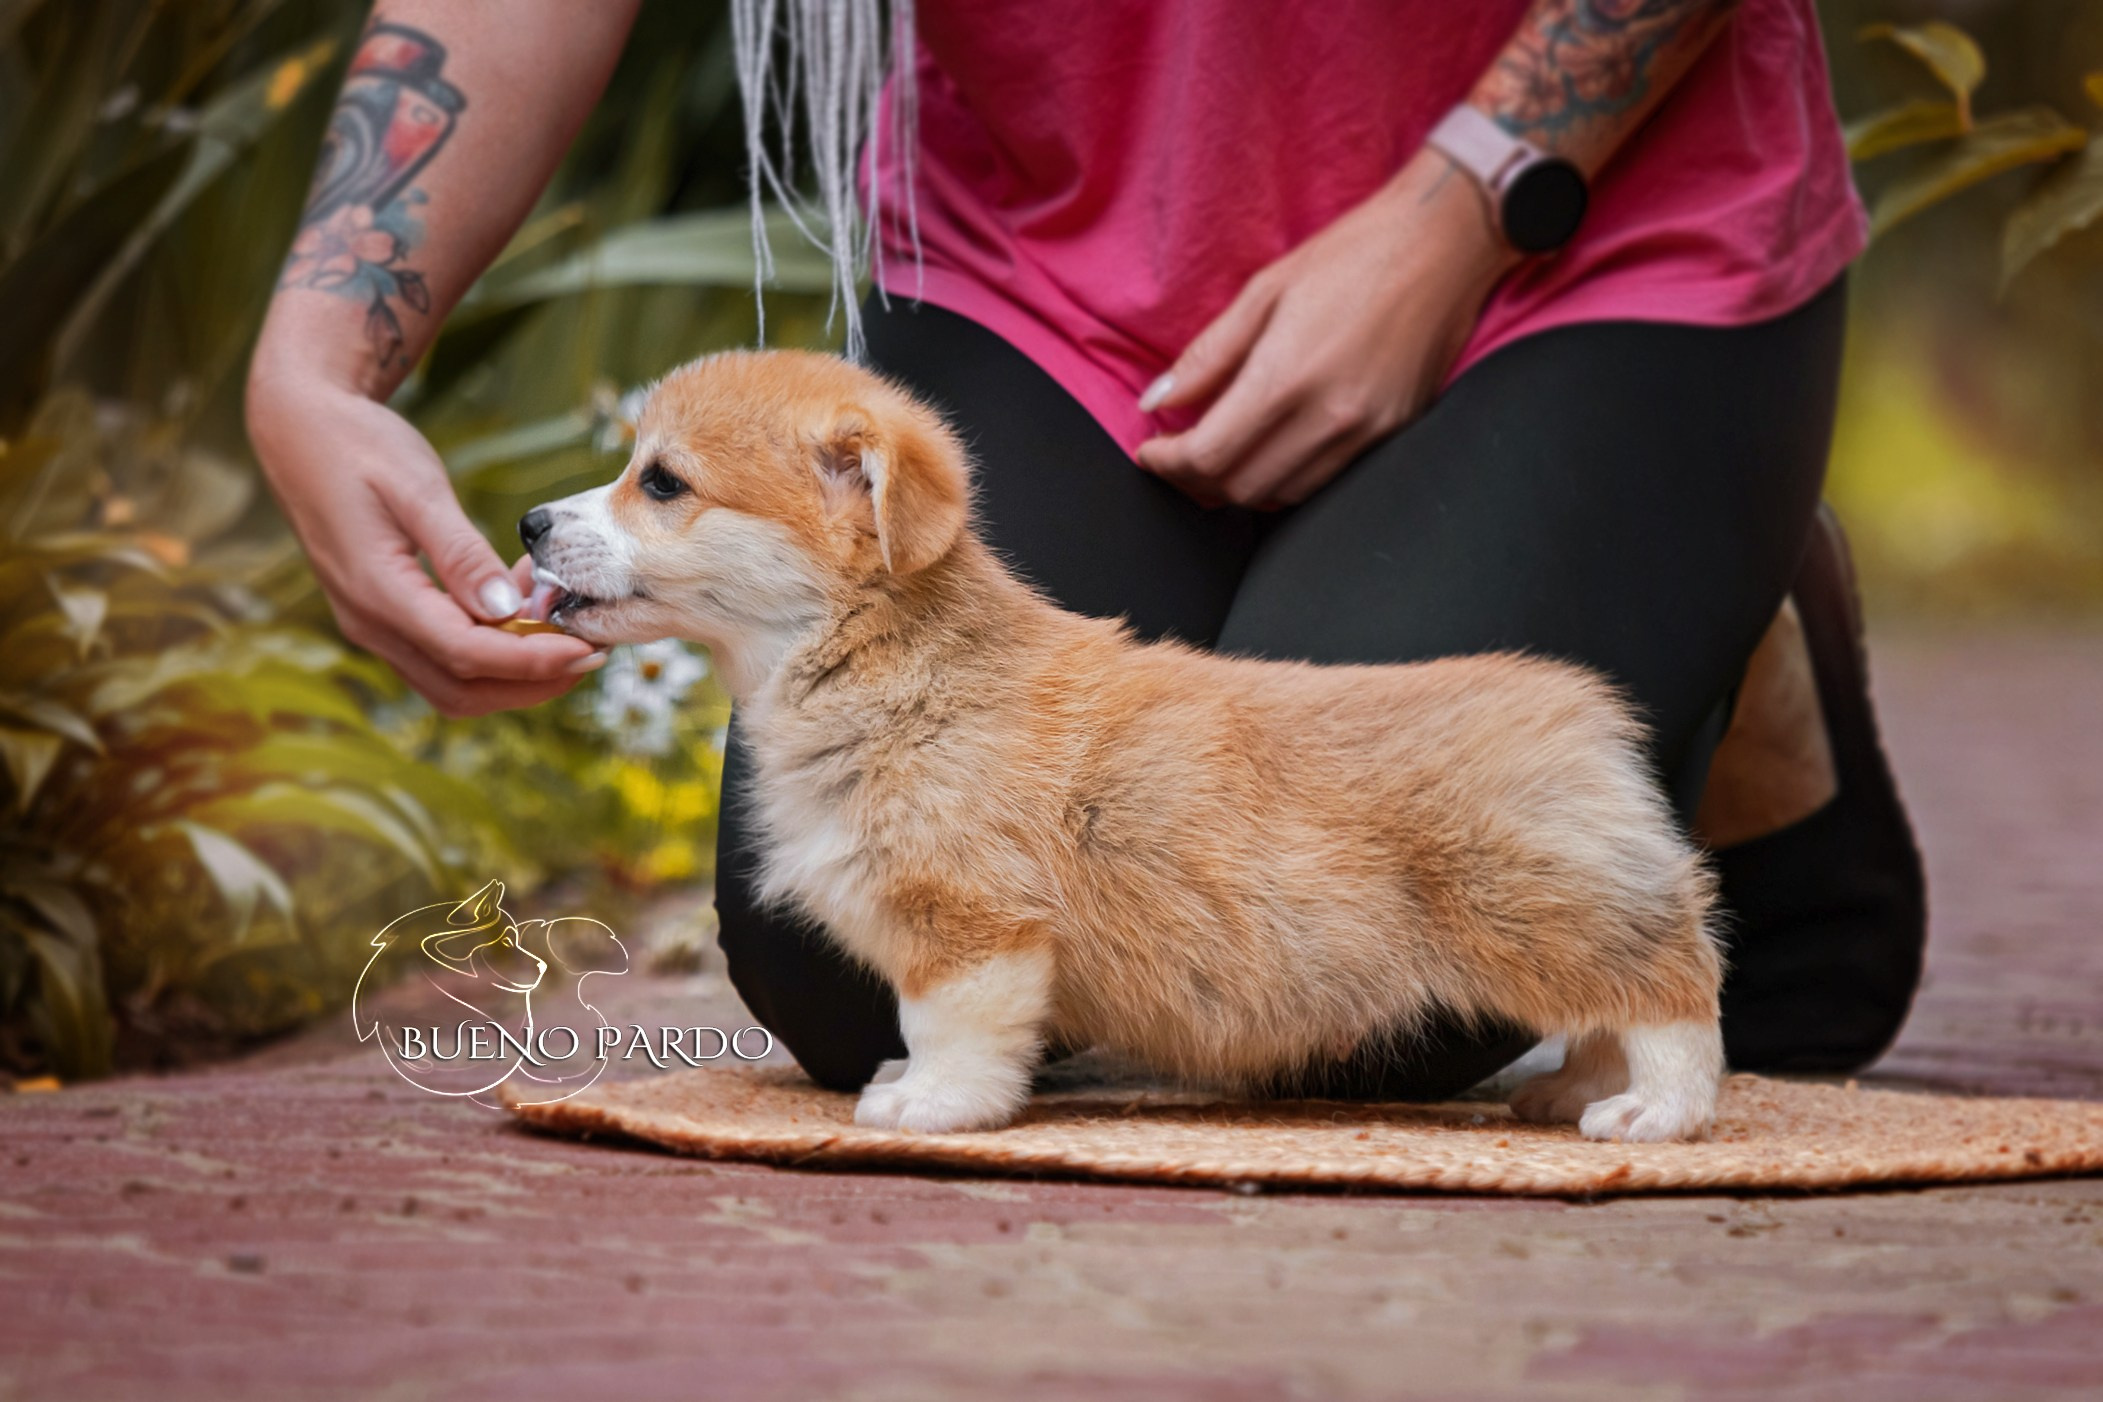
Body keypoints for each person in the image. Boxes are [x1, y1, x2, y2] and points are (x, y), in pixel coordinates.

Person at [247, 1, 1926, 1102]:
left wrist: (1460, 211)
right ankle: (1525, 577)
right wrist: (322, 359)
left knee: (1368, 1004)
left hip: (1573, 241)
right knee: (856, 972)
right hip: (1052, 260)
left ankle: (1721, 598)